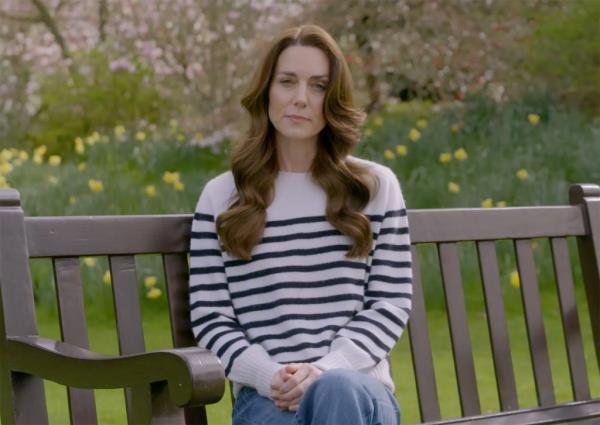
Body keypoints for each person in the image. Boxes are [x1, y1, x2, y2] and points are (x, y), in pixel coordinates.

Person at [189, 24, 412, 425]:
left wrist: (326, 369)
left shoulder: (374, 189)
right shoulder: (222, 198)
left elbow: (389, 302)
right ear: (266, 91)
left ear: (334, 98)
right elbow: (211, 316)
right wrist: (270, 374)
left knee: (336, 391)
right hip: (266, 397)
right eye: (287, 82)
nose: (300, 99)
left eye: (318, 86)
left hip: (360, 391)